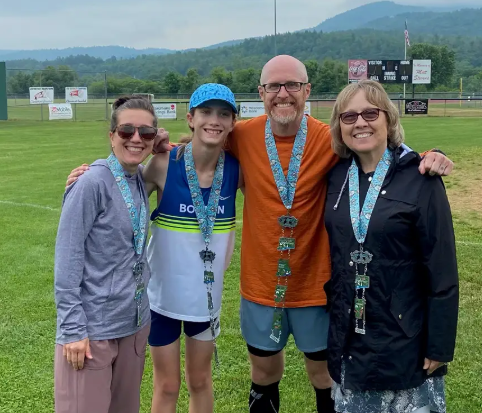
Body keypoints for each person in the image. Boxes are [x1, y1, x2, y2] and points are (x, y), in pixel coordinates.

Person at [67, 55, 454, 413]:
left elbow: (375, 143)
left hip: (314, 286)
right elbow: (203, 139)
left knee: (324, 376)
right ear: (261, 94)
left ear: (306, 90)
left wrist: (424, 156)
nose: (283, 94)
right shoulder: (241, 135)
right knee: (264, 374)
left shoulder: (331, 139)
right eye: (273, 86)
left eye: (292, 85)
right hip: (259, 286)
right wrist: (135, 152)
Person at [323, 80, 459, 413]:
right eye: (348, 116)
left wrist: (439, 345)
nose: (360, 123)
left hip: (404, 339)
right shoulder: (336, 176)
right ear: (339, 127)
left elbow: (441, 268)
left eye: (370, 112)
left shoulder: (421, 177)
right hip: (349, 335)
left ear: (389, 119)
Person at [142, 83, 242, 413]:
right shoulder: (162, 165)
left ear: (232, 123)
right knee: (167, 385)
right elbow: (120, 193)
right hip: (162, 300)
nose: (214, 120)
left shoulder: (237, 172)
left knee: (200, 382)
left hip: (205, 302)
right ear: (190, 118)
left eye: (223, 114)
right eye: (206, 112)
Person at [54, 96, 157, 413]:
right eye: (126, 131)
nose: (136, 139)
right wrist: (73, 330)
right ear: (112, 136)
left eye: (146, 133)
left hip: (134, 325)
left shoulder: (138, 177)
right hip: (92, 333)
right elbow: (67, 258)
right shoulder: (92, 182)